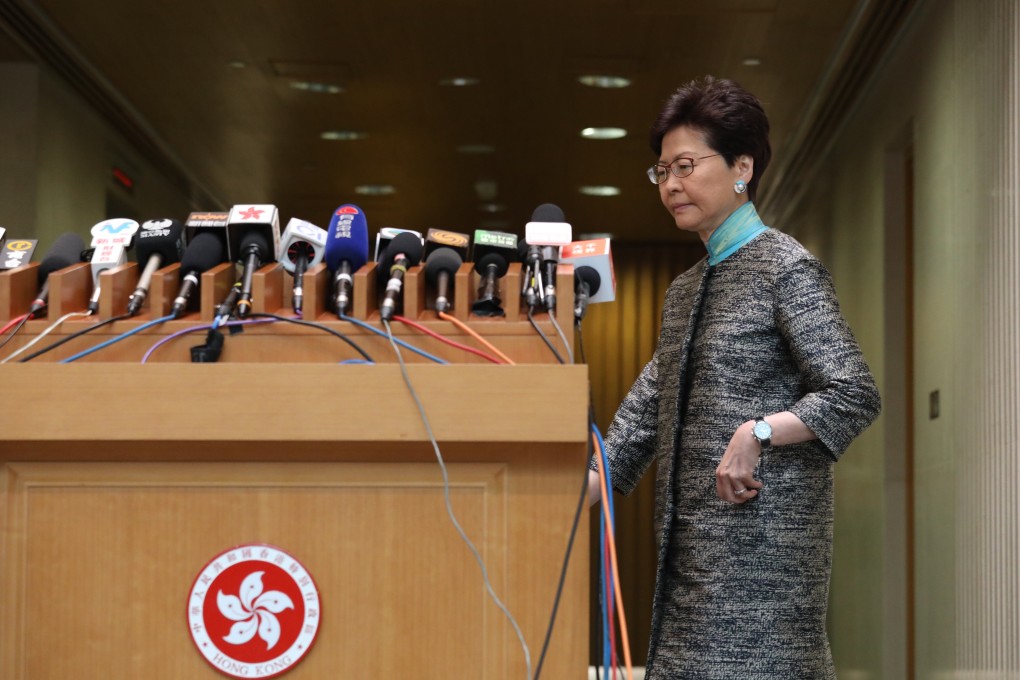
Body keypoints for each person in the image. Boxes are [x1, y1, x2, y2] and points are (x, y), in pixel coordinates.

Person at [588, 76, 881, 679]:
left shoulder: (786, 268)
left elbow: (853, 392)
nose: (670, 184)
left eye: (686, 166)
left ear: (742, 167)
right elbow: (645, 414)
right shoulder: (686, 290)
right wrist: (573, 485)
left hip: (763, 577)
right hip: (690, 571)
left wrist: (758, 432)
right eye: (662, 171)